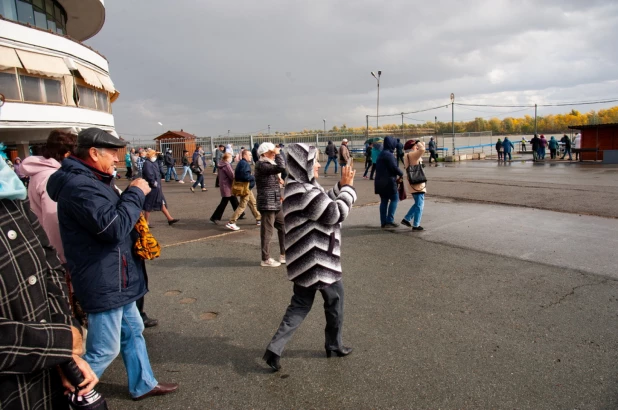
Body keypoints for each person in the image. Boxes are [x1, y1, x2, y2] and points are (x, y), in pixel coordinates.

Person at [46, 128, 178, 401]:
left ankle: (143, 383)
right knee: (104, 349)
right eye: (113, 153)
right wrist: (134, 193)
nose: (118, 159)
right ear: (94, 153)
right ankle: (65, 397)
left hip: (116, 275)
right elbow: (113, 227)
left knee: (133, 331)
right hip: (103, 279)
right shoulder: (79, 186)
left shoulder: (93, 179)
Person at [0, 158, 99, 410]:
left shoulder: (8, 187)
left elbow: (47, 261)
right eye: (111, 152)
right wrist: (59, 342)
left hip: (44, 381)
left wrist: (64, 356)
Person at [262, 143, 357, 372]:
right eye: (313, 161)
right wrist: (349, 190)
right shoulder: (305, 191)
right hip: (320, 262)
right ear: (301, 163)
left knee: (299, 306)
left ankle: (274, 349)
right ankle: (334, 344)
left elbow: (324, 201)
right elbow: (334, 213)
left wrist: (340, 187)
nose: (318, 165)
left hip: (304, 262)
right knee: (335, 302)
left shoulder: (299, 187)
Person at [255, 142, 286, 267]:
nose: (274, 154)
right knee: (267, 231)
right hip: (267, 202)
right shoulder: (262, 164)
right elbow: (282, 167)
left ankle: (283, 254)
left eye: (274, 153)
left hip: (275, 201)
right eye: (271, 153)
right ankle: (265, 259)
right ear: (264, 153)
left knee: (283, 226)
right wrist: (278, 154)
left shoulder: (268, 164)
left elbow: (278, 170)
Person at [142, 148, 180, 226]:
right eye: (154, 155)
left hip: (157, 187)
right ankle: (146, 222)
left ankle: (169, 218)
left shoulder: (154, 162)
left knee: (161, 202)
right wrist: (153, 183)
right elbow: (149, 174)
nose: (155, 156)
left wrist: (161, 157)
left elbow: (160, 167)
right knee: (149, 204)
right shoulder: (147, 163)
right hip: (152, 187)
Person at [226, 150, 260, 229]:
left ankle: (259, 218)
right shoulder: (244, 164)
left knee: (253, 203)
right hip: (245, 188)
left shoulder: (242, 163)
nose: (251, 156)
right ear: (244, 155)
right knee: (242, 205)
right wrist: (253, 177)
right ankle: (232, 222)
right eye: (249, 155)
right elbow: (245, 176)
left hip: (247, 188)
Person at [375, 136, 403, 228]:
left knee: (384, 201)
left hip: (379, 181)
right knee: (395, 198)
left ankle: (383, 222)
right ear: (391, 144)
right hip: (388, 181)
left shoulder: (381, 154)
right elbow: (394, 168)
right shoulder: (389, 155)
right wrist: (401, 173)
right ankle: (390, 220)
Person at [401, 140, 426, 231]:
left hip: (413, 181)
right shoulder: (412, 155)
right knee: (420, 204)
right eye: (415, 145)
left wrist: (419, 142)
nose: (417, 146)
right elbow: (422, 149)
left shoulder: (409, 155)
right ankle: (416, 225)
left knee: (418, 203)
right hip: (417, 182)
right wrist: (419, 141)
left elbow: (422, 148)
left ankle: (407, 218)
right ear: (412, 147)